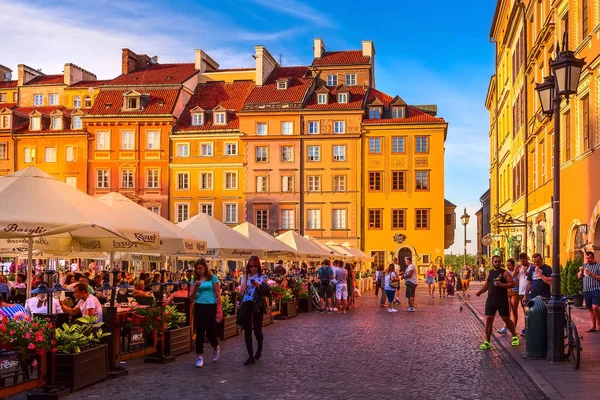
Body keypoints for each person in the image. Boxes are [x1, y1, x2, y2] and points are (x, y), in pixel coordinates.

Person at [476, 255, 519, 350]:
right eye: (495, 261)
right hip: (491, 300)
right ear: (492, 262)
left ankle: (514, 336)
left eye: (499, 261)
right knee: (488, 320)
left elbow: (512, 284)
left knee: (506, 319)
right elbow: (486, 285)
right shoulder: (490, 273)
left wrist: (501, 284)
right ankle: (487, 342)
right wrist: (479, 292)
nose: (497, 263)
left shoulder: (505, 273)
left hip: (502, 300)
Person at [189, 258, 222, 368]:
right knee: (199, 331)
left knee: (211, 331)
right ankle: (200, 356)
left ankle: (215, 346)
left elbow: (218, 295)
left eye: (200, 268)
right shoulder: (194, 280)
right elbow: (191, 297)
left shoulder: (213, 278)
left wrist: (219, 310)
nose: (199, 270)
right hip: (199, 306)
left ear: (205, 267)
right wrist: (196, 288)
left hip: (211, 306)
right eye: (197, 268)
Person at [239, 255, 269, 366]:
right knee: (247, 330)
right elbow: (242, 290)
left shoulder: (262, 276)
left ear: (258, 266)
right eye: (251, 266)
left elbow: (266, 291)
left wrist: (258, 285)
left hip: (257, 304)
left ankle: (259, 347)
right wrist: (246, 276)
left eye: (255, 266)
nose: (253, 268)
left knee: (257, 329)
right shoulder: (244, 277)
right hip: (246, 303)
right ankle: (250, 356)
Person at [578, 251, 600, 332]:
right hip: (586, 290)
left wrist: (591, 273)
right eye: (586, 258)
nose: (588, 260)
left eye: (589, 258)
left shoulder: (598, 266)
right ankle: (593, 326)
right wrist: (581, 271)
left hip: (596, 289)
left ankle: (599, 323)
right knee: (590, 308)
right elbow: (579, 277)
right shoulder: (584, 266)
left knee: (595, 307)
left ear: (593, 257)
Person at [498, 259, 520, 335]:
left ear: (513, 265)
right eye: (507, 265)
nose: (508, 267)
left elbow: (520, 281)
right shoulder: (506, 272)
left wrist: (513, 282)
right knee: (507, 310)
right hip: (507, 292)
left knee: (514, 311)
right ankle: (505, 327)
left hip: (515, 292)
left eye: (509, 265)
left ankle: (513, 327)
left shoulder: (516, 272)